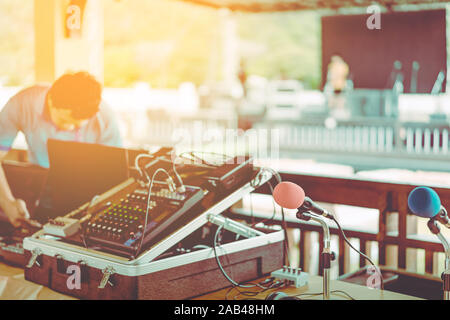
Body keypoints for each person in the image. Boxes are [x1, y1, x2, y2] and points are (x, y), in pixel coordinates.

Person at [0, 71, 122, 227]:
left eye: (77, 126)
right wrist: (7, 202)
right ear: (50, 100)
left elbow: (115, 173)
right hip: (42, 183)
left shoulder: (104, 115)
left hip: (90, 189)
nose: (70, 128)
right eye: (65, 121)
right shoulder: (21, 103)